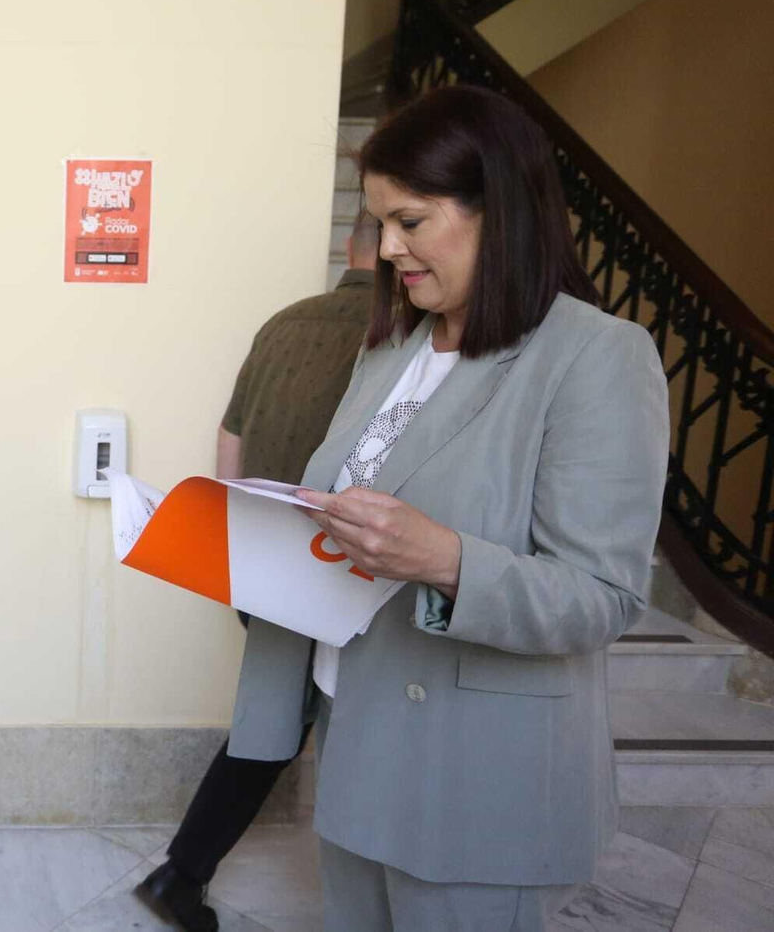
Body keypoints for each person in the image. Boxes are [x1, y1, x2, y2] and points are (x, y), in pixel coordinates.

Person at [230, 85, 669, 930]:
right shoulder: (392, 348)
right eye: (380, 222)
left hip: (477, 771)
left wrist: (444, 559)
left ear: (499, 211)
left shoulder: (596, 357)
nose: (388, 248)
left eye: (411, 221)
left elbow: (602, 597)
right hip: (354, 730)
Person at [136, 218, 380, 932]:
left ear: (349, 247)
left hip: (265, 568)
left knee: (270, 724)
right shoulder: (411, 336)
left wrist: (235, 557)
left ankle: (181, 874)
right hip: (350, 578)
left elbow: (231, 437)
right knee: (342, 734)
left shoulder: (283, 324)